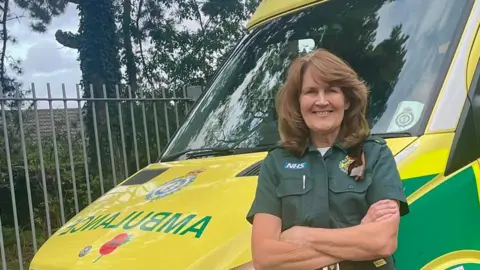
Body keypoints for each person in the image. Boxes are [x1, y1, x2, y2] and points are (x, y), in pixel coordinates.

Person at [246, 48, 409, 270]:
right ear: (298, 102)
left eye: (331, 90)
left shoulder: (375, 153)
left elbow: (383, 241)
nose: (321, 101)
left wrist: (301, 236)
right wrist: (360, 238)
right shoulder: (276, 163)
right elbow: (266, 258)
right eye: (311, 92)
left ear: (348, 100)